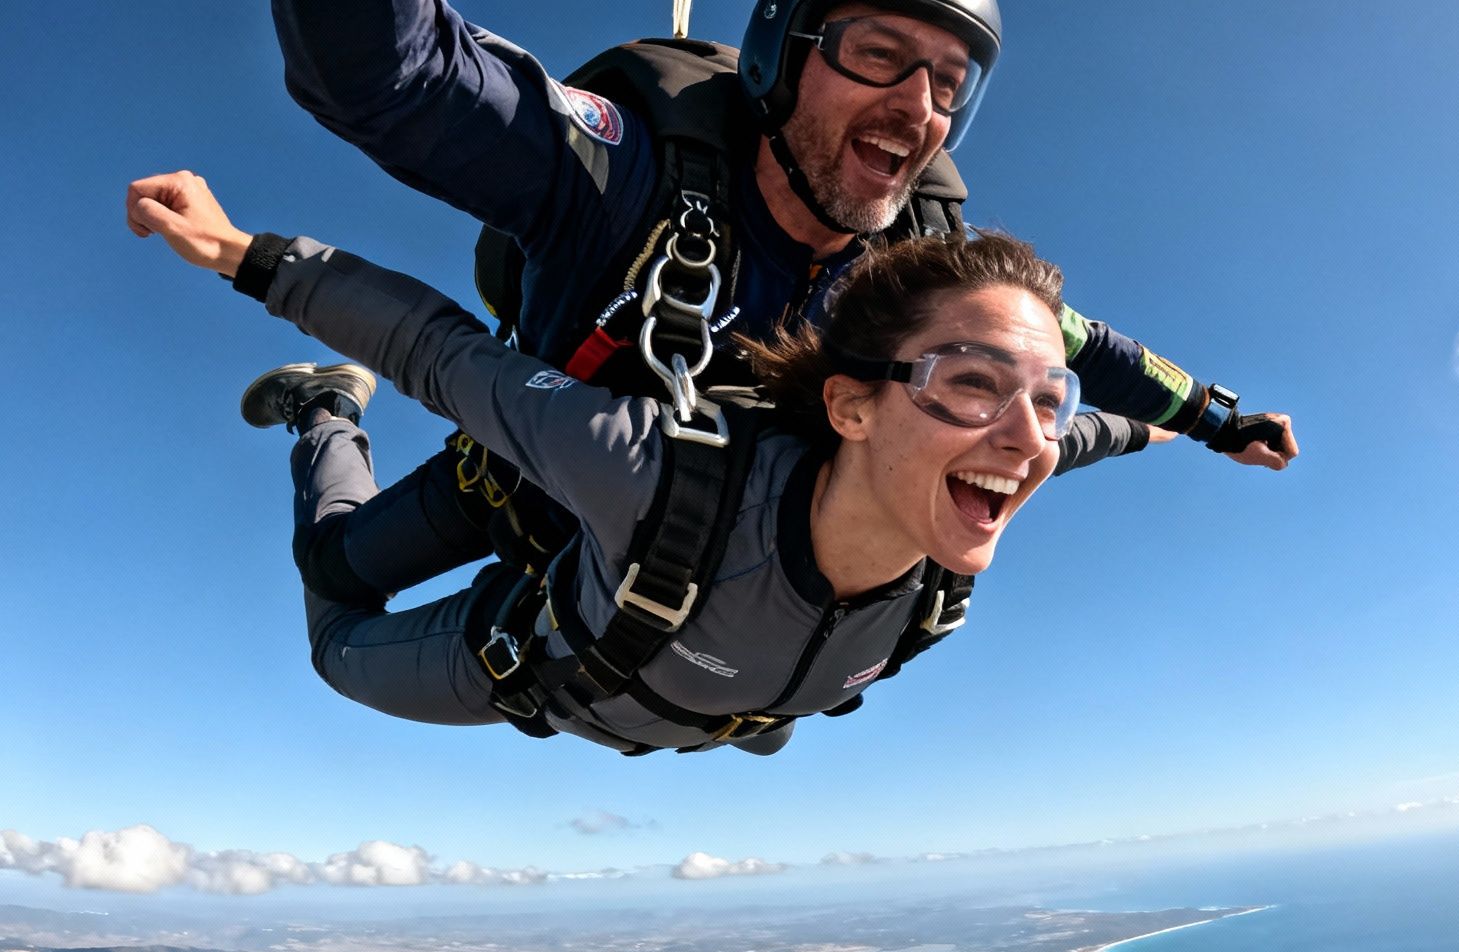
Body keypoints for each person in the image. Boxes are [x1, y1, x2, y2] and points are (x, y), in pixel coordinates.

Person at [257, 0, 1301, 609]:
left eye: (949, 84)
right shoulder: (629, 174)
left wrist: (1215, 419)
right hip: (521, 481)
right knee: (337, 573)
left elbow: (1085, 349)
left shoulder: (921, 276)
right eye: (878, 56)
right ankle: (327, 412)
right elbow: (390, 77)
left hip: (680, 552)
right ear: (780, 55)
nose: (917, 106)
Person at [131, 169, 1121, 756]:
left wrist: (1199, 427)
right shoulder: (650, 473)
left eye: (1046, 397)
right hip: (539, 651)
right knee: (336, 628)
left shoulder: (946, 553)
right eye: (970, 384)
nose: (1027, 438)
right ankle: (325, 411)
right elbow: (441, 354)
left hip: (665, 662)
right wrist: (238, 252)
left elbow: (1087, 438)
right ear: (849, 407)